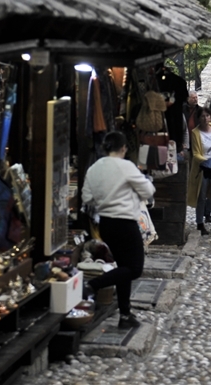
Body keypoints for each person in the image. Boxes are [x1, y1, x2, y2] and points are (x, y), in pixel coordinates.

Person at [80, 131, 156, 329]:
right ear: (123, 148)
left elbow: (87, 198)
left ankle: (125, 314)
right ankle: (92, 285)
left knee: (124, 268)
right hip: (125, 223)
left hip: (105, 224)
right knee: (134, 269)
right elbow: (148, 190)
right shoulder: (126, 166)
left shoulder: (94, 168)